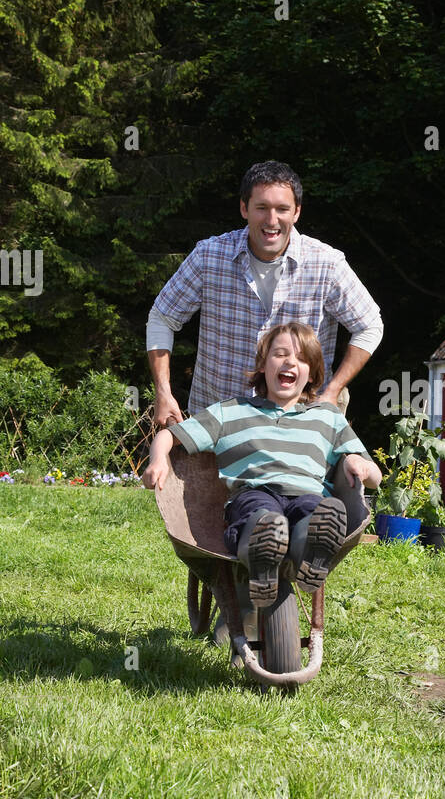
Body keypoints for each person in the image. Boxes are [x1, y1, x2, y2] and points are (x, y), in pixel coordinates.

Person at [142, 322, 382, 605]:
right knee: (262, 515)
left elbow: (375, 478)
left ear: (312, 373)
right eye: (280, 354)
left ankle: (311, 554)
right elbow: (168, 436)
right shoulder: (231, 411)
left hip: (308, 495)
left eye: (302, 358)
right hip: (254, 493)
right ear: (263, 365)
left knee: (316, 514)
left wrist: (359, 463)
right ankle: (262, 554)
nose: (290, 362)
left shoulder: (327, 417)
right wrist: (158, 460)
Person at [146, 160, 383, 427]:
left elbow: (370, 325)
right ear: (244, 208)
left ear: (296, 212)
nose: (272, 220)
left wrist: (332, 391)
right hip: (215, 424)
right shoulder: (208, 257)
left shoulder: (326, 264)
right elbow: (162, 317)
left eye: (282, 209)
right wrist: (163, 392)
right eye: (262, 208)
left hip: (299, 426)